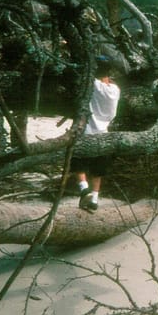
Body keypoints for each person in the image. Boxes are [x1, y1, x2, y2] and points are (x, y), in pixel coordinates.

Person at [71, 56, 121, 211]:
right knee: (98, 168)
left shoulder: (92, 84)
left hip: (87, 131)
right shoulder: (115, 90)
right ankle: (94, 199)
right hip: (104, 133)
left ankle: (84, 189)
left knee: (77, 160)